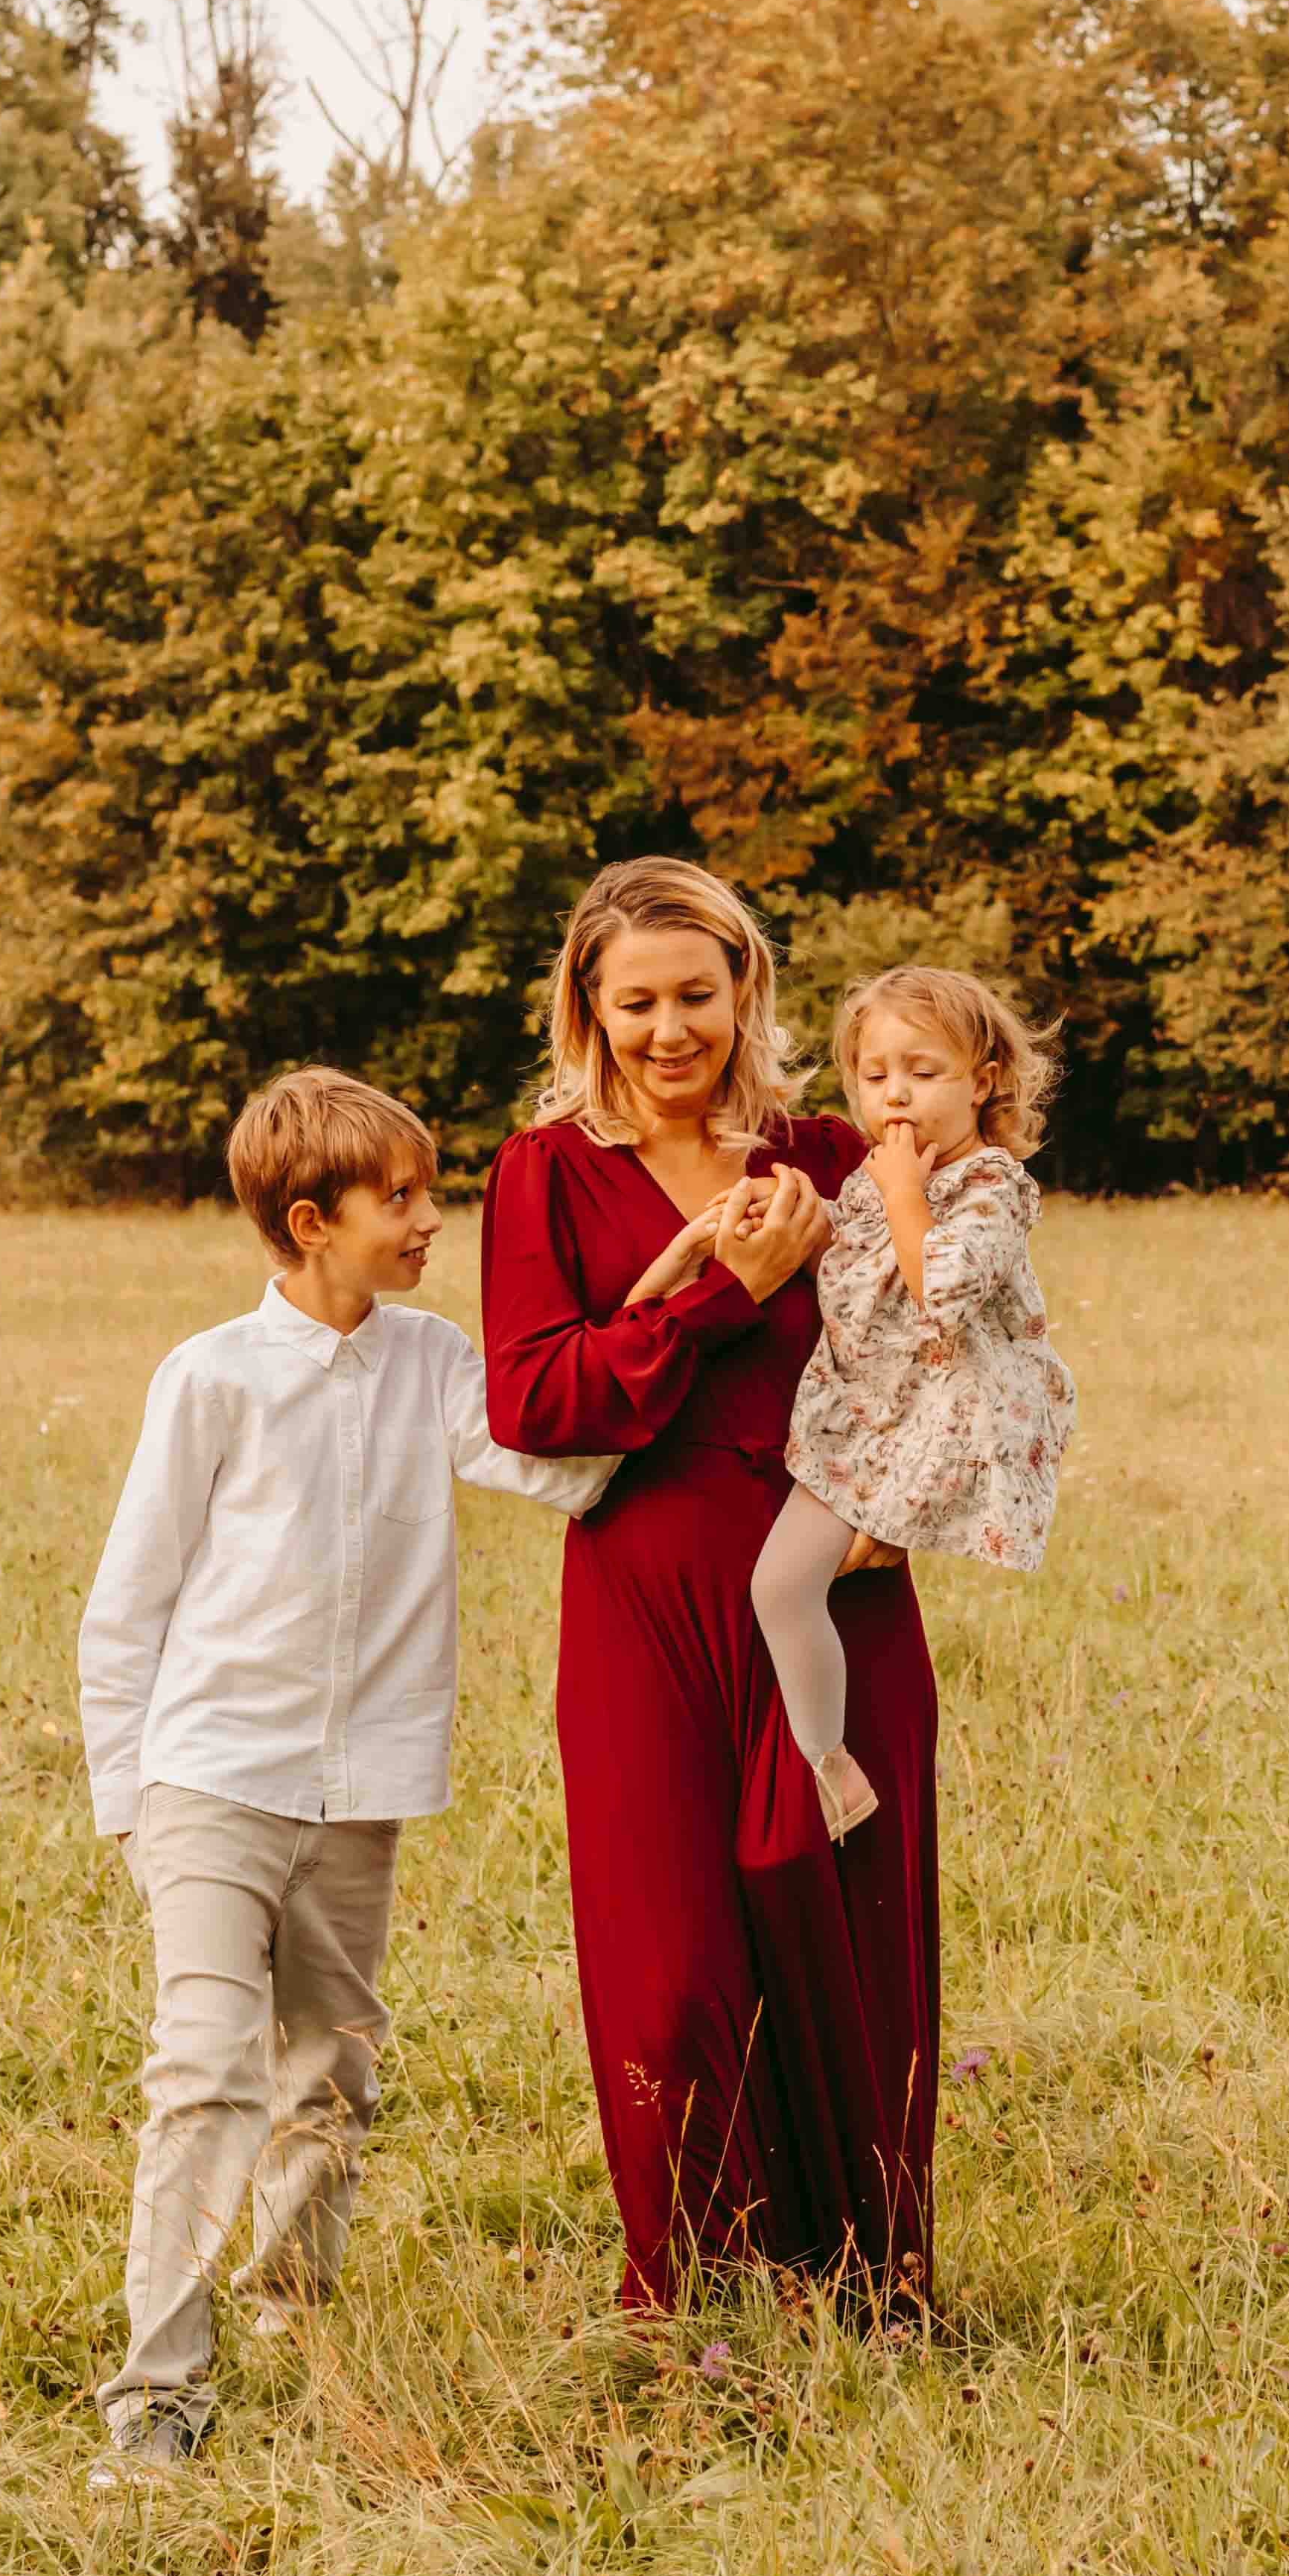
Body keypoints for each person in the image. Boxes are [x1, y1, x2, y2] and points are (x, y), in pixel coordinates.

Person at [74, 1066, 617, 2473]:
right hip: (207, 1776)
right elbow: (126, 1602)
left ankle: (288, 2314)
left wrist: (683, 1296)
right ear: (311, 1219)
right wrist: (126, 1800)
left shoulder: (433, 1359)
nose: (431, 1218)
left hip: (361, 1787)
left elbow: (560, 1469)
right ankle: (156, 2395)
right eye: (403, 1198)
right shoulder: (209, 1376)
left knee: (329, 2071)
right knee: (204, 2072)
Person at [480, 856, 941, 2321]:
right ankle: (688, 2287)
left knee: (846, 1918)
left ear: (744, 985)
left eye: (696, 991)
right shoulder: (543, 1171)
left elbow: (950, 1345)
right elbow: (534, 1395)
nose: (669, 1027)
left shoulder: (825, 1149)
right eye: (636, 1002)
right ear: (588, 1008)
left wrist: (906, 1502)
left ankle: (873, 2271)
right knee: (666, 1945)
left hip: (836, 1583)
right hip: (649, 1591)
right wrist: (714, 1297)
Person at [744, 969, 1074, 1843]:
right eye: (874, 1073)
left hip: (939, 1423)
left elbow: (941, 1287)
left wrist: (900, 1192)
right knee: (780, 1585)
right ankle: (825, 1759)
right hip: (868, 1414)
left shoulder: (991, 1184)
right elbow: (858, 1256)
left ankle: (827, 1760)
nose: (894, 1093)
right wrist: (793, 1208)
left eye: (922, 1071)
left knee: (788, 1579)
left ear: (985, 1078)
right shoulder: (877, 1176)